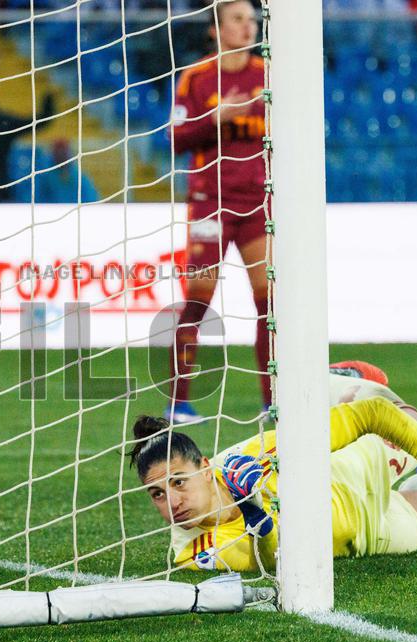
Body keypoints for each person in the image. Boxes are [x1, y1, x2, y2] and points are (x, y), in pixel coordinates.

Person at [129, 368, 417, 573]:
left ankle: (335, 384)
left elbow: (373, 417)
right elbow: (272, 557)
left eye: (178, 482)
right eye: (158, 494)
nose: (172, 502)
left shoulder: (258, 453)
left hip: (345, 474)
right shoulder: (193, 553)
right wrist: (252, 509)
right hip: (358, 535)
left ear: (205, 468)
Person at [167, 0, 270, 424]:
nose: (248, 27)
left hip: (256, 202)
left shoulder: (268, 76)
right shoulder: (195, 79)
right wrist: (217, 117)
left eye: (252, 20)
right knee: (198, 301)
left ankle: (272, 402)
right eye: (238, 20)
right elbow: (176, 139)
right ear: (216, 28)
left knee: (270, 302)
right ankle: (178, 402)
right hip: (211, 201)